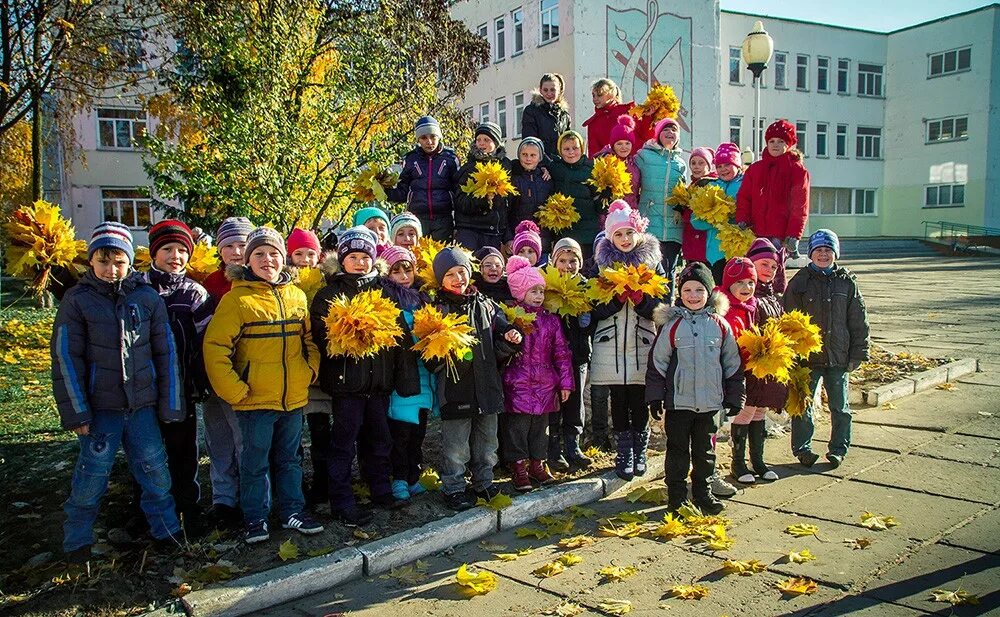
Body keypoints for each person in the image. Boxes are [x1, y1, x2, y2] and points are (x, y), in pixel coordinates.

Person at [53, 222, 184, 564]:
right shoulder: (78, 301)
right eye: (103, 261)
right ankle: (77, 542)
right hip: (101, 409)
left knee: (155, 472)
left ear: (130, 262)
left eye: (119, 261)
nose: (111, 269)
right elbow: (67, 357)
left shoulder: (146, 297)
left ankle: (167, 533)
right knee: (91, 476)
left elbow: (165, 351)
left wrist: (170, 403)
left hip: (141, 406)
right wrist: (77, 411)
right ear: (91, 262)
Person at [203, 227, 324, 543]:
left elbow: (308, 339)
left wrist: (309, 370)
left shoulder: (296, 295)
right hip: (254, 399)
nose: (267, 260)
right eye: (259, 253)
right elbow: (215, 348)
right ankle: (255, 518)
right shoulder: (237, 299)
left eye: (273, 254)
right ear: (247, 259)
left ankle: (292, 512)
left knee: (289, 459)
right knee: (254, 462)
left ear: (283, 259)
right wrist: (235, 390)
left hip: (293, 398)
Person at [310, 227, 409, 525]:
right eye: (353, 256)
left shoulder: (384, 290)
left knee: (379, 440)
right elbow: (319, 335)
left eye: (365, 256)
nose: (360, 262)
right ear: (342, 260)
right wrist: (345, 334)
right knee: (342, 444)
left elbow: (398, 336)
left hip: (378, 384)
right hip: (346, 385)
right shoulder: (328, 294)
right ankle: (341, 501)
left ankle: (380, 490)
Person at [647, 262, 745, 515]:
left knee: (705, 453)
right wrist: (656, 398)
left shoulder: (720, 325)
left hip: (710, 403)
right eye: (687, 290)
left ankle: (703, 494)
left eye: (699, 290)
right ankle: (677, 498)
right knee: (677, 452)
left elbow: (732, 363)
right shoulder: (671, 326)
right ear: (680, 293)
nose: (693, 296)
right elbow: (658, 362)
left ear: (709, 293)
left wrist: (734, 396)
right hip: (679, 403)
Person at [431, 247, 522, 510]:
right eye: (450, 275)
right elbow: (429, 355)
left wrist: (511, 339)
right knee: (456, 445)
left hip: (487, 386)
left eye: (462, 271)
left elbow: (500, 340)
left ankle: (484, 481)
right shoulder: (437, 308)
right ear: (441, 280)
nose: (458, 278)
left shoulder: (486, 305)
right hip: (455, 387)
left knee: (487, 442)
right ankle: (454, 487)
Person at [142, 219, 214, 532]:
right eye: (167, 249)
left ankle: (188, 509)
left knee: (184, 450)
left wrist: (202, 382)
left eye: (182, 250)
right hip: (144, 386)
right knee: (146, 452)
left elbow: (205, 342)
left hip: (182, 386)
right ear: (153, 253)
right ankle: (148, 511)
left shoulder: (194, 293)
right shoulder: (139, 289)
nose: (175, 256)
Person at [588, 200, 665, 480]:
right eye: (618, 234)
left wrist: (642, 301)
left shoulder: (654, 265)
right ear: (610, 237)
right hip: (611, 344)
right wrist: (615, 302)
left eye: (629, 233)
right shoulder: (599, 267)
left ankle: (639, 449)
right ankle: (624, 452)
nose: (624, 239)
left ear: (639, 234)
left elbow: (661, 308)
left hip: (642, 343)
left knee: (639, 400)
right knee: (618, 400)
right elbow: (593, 308)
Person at [784, 230, 870, 469]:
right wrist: (791, 354)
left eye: (828, 250)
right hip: (807, 358)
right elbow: (788, 320)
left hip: (838, 356)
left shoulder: (846, 281)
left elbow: (858, 320)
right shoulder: (800, 282)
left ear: (835, 253)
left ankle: (838, 449)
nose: (823, 255)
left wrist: (859, 352)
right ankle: (803, 449)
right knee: (802, 405)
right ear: (811, 254)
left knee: (840, 407)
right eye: (818, 250)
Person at [501, 256, 574, 491]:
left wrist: (565, 383)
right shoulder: (511, 317)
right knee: (517, 428)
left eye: (541, 291)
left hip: (545, 383)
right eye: (533, 291)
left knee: (541, 428)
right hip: (518, 382)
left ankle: (538, 464)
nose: (539, 296)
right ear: (520, 292)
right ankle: (518, 465)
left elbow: (561, 353)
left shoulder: (550, 321)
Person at [200, 216, 255, 528]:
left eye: (242, 245)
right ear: (219, 250)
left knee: (244, 439)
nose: (236, 251)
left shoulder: (259, 279)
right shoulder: (209, 283)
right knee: (217, 437)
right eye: (229, 246)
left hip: (248, 374)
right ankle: (224, 499)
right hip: (214, 371)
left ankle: (251, 498)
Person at [381, 246, 436, 502]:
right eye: (396, 270)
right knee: (401, 432)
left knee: (419, 432)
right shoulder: (385, 301)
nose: (403, 275)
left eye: (408, 269)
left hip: (424, 373)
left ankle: (413, 476)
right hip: (401, 378)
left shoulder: (424, 299)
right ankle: (399, 478)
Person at [731, 239, 787, 484]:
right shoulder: (749, 296)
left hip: (769, 365)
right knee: (747, 410)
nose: (769, 270)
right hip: (750, 365)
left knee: (760, 410)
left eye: (774, 267)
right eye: (764, 264)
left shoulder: (774, 296)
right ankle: (738, 462)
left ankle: (758, 460)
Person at [286, 228, 334, 507]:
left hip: (319, 371)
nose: (305, 259)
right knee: (291, 436)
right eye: (298, 253)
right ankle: (294, 486)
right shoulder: (283, 285)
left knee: (320, 430)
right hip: (290, 369)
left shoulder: (326, 285)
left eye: (310, 253)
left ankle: (322, 483)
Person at [735, 119, 810, 291]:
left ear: (789, 144)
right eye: (772, 141)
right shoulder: (756, 169)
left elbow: (800, 206)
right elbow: (745, 197)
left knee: (774, 271)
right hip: (755, 231)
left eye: (781, 141)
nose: (775, 145)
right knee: (752, 270)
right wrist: (742, 219)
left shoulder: (797, 171)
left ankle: (775, 300)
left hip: (780, 235)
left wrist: (794, 234)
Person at [548, 238, 593, 469]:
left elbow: (593, 323)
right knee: (555, 402)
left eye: (573, 261)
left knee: (575, 404)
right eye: (562, 261)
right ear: (554, 262)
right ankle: (553, 449)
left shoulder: (586, 286)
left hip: (578, 353)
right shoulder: (548, 286)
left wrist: (587, 320)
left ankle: (573, 445)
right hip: (551, 358)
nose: (568, 266)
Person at [635, 117, 687, 296]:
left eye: (674, 130)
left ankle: (667, 310)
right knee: (650, 269)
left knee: (670, 271)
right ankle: (648, 312)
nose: (670, 133)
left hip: (673, 226)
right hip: (650, 223)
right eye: (665, 130)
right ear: (658, 135)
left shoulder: (681, 164)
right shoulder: (644, 155)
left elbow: (684, 191)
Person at [388, 115, 460, 242]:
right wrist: (384, 191)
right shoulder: (411, 159)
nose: (429, 142)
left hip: (443, 219)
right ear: (418, 140)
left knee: (441, 258)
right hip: (418, 218)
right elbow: (403, 191)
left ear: (439, 137)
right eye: (424, 138)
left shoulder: (450, 159)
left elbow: (458, 190)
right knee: (419, 257)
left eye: (433, 137)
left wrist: (459, 222)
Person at [453, 122, 512, 251]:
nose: (482, 143)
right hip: (469, 229)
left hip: (494, 231)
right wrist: (483, 200)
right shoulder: (468, 168)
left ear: (496, 143)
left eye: (486, 140)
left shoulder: (507, 166)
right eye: (478, 140)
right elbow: (460, 201)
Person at [696, 143, 745, 283]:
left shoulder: (746, 184)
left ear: (737, 165)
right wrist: (714, 218)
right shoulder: (711, 185)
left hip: (739, 249)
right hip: (714, 252)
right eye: (719, 166)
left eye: (727, 164)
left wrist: (733, 217)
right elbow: (696, 221)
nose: (723, 169)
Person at [549, 130, 599, 257]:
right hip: (564, 231)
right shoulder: (555, 168)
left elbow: (599, 202)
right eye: (566, 149)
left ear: (582, 148)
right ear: (560, 151)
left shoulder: (591, 169)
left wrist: (605, 195)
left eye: (575, 148)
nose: (571, 152)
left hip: (587, 231)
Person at [508, 137, 554, 251]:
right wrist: (508, 238)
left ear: (540, 158)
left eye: (533, 155)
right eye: (524, 154)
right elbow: (507, 211)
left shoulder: (546, 179)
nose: (528, 159)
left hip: (543, 238)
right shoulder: (512, 179)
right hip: (518, 237)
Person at [520, 73, 571, 160]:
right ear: (540, 90)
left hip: (560, 164)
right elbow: (530, 142)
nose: (549, 93)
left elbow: (568, 142)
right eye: (545, 90)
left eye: (552, 90)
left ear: (559, 91)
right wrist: (543, 164)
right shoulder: (531, 111)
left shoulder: (564, 115)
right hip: (539, 163)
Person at [594, 115, 641, 210]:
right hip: (610, 212)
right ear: (613, 145)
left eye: (627, 143)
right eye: (619, 144)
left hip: (631, 211)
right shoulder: (606, 161)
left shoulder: (635, 163)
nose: (624, 147)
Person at [582, 78, 633, 158]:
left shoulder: (628, 112)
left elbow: (641, 137)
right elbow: (593, 153)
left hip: (632, 164)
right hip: (608, 166)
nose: (595, 99)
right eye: (593, 95)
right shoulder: (593, 123)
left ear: (611, 94)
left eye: (599, 95)